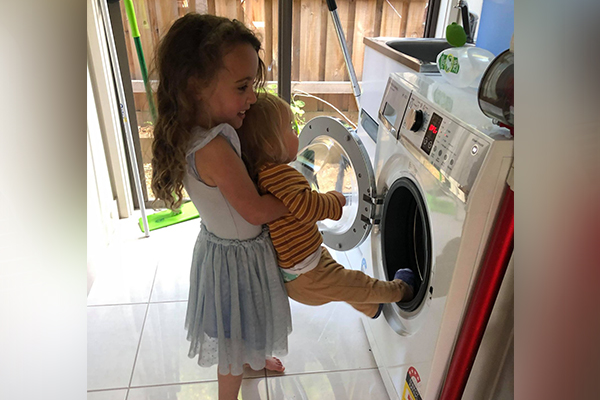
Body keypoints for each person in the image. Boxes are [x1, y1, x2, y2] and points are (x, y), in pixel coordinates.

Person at [150, 14, 292, 400]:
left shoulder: (194, 134)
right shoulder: (213, 148)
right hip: (237, 261)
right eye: (243, 86)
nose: (253, 97)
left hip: (222, 250)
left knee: (243, 325)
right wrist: (296, 201)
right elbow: (255, 211)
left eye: (253, 85)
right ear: (196, 86)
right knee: (234, 336)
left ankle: (251, 361)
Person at [238, 92, 416, 320]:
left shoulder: (264, 174)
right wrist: (334, 202)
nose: (296, 134)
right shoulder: (280, 175)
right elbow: (306, 208)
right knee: (355, 283)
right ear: (272, 145)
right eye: (290, 129)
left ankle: (372, 307)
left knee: (344, 285)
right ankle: (402, 290)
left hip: (302, 266)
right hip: (307, 274)